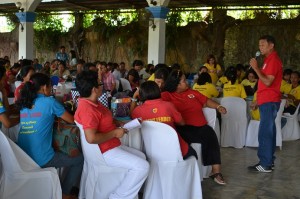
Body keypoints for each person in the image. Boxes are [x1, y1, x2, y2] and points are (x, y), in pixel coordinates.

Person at [74, 71, 149, 199]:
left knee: (142, 156)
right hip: (104, 152)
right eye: (100, 83)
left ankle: (129, 191)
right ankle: (118, 196)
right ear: (94, 89)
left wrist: (116, 122)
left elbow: (102, 119)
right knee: (142, 167)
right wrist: (115, 132)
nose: (103, 85)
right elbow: (91, 138)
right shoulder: (88, 109)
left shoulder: (93, 103)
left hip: (111, 145)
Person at [16, 73, 83, 198]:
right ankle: (64, 193)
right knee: (79, 160)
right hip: (42, 158)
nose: (51, 89)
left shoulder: (24, 103)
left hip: (22, 157)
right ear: (43, 87)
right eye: (50, 86)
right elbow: (71, 120)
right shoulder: (49, 102)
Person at [162, 69, 227, 185]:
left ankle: (215, 172)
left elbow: (206, 101)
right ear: (176, 84)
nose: (186, 82)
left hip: (199, 126)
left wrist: (218, 107)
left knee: (210, 134)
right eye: (182, 81)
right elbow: (159, 103)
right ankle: (183, 173)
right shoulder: (167, 95)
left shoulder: (192, 92)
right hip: (180, 127)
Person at [131, 81, 197, 159]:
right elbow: (182, 123)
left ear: (141, 94)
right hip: (175, 150)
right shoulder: (168, 106)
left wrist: (134, 97)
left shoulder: (138, 111)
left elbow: (131, 115)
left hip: (152, 151)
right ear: (158, 91)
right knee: (193, 153)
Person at [248, 35, 282, 172]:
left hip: (270, 101)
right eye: (259, 45)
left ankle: (265, 163)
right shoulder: (268, 60)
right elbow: (266, 83)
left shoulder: (273, 60)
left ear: (271, 45)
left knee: (265, 132)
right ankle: (269, 161)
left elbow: (268, 81)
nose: (260, 47)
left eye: (262, 45)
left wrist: (256, 69)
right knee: (269, 131)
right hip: (266, 100)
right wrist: (258, 100)